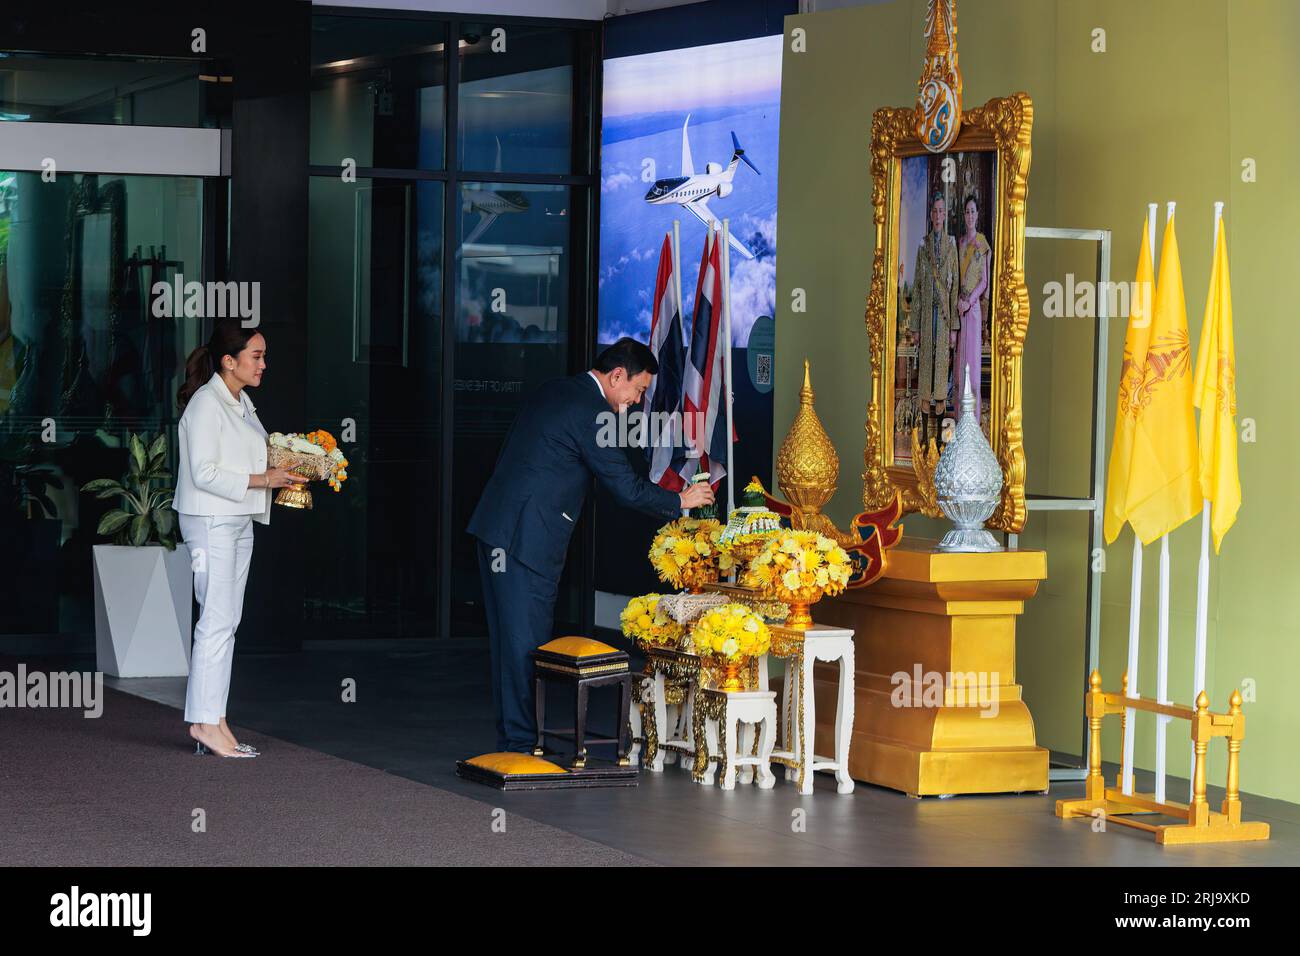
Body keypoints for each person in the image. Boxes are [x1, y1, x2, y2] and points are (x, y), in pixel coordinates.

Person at [467, 337, 715, 753]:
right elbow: (625, 487)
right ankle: (523, 749)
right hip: (525, 540)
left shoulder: (556, 390)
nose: (637, 402)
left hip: (498, 530)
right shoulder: (590, 411)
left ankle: (518, 741)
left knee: (508, 647)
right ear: (617, 376)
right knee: (524, 648)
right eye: (637, 390)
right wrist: (679, 500)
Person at [173, 319, 305, 759]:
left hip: (238, 519)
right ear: (229, 362)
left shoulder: (240, 401)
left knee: (226, 621)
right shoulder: (206, 405)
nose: (264, 364)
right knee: (214, 620)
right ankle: (202, 723)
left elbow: (259, 453)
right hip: (211, 520)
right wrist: (265, 477)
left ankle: (216, 719)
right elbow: (204, 472)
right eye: (257, 356)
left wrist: (305, 461)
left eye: (264, 355)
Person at [911, 191, 959, 419]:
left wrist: (953, 329)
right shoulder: (923, 245)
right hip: (927, 317)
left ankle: (939, 435)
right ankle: (922, 434)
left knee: (941, 369)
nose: (938, 215)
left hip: (944, 318)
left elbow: (955, 284)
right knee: (926, 368)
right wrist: (915, 327)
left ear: (945, 215)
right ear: (931, 215)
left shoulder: (951, 245)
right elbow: (918, 287)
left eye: (942, 211)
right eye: (935, 211)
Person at [955, 193, 991, 424]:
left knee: (973, 367)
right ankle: (960, 422)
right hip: (960, 310)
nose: (969, 215)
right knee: (960, 368)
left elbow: (985, 280)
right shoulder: (959, 244)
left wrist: (970, 301)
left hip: (974, 310)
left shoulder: (983, 243)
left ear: (977, 215)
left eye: (973, 211)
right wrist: (959, 300)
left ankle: (974, 425)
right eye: (966, 211)